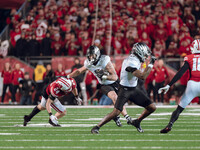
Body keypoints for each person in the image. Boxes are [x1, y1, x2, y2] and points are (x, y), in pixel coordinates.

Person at [91, 42, 156, 134]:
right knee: (116, 112)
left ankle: (137, 122)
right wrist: (151, 64)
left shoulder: (135, 59)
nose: (146, 57)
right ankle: (97, 127)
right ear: (140, 52)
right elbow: (142, 76)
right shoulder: (131, 61)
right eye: (145, 54)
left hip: (133, 89)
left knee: (152, 107)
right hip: (124, 90)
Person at [67, 45, 132, 127]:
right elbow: (79, 71)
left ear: (97, 54)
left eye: (92, 55)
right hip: (104, 84)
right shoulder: (88, 63)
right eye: (89, 56)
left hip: (114, 82)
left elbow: (114, 77)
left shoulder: (104, 61)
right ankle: (127, 117)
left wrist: (104, 75)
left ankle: (117, 116)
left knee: (120, 100)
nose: (90, 57)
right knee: (115, 97)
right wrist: (68, 76)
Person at [159, 39, 200, 133]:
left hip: (192, 85)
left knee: (179, 109)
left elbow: (181, 73)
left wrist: (169, 85)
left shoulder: (189, 57)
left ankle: (170, 125)